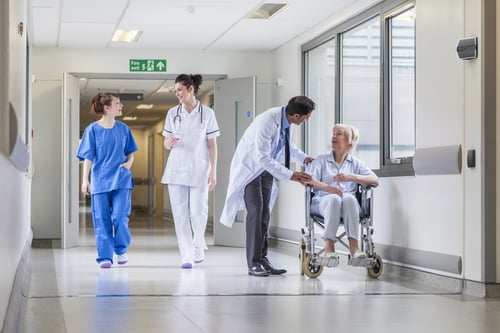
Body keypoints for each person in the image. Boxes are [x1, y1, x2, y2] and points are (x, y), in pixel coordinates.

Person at [220, 96, 315, 277]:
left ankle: (263, 259)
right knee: (255, 211)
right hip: (252, 170)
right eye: (306, 117)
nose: (307, 119)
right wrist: (291, 175)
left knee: (264, 214)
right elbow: (261, 157)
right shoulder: (267, 121)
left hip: (267, 170)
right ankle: (253, 263)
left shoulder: (288, 122)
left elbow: (288, 145)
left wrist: (304, 158)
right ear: (296, 115)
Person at [161, 74, 220, 269]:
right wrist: (169, 142)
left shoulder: (208, 114)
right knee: (180, 215)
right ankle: (186, 255)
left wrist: (213, 171)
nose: (176, 93)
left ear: (191, 89)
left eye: (179, 89)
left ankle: (197, 245)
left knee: (198, 212)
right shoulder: (172, 113)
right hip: (176, 170)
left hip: (199, 169)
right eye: (176, 90)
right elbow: (166, 143)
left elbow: (212, 145)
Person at [76, 92, 138, 269]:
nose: (121, 106)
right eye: (117, 103)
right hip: (100, 180)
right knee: (101, 219)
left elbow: (130, 153)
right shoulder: (92, 130)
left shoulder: (124, 129)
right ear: (107, 108)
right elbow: (88, 157)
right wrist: (84, 180)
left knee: (119, 216)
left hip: (121, 179)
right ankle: (105, 256)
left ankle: (121, 249)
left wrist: (130, 162)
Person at [305, 123, 378, 259]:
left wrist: (351, 177)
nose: (334, 137)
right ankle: (329, 247)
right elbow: (307, 180)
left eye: (339, 134)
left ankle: (354, 248)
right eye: (333, 134)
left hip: (349, 205)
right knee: (334, 198)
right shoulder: (321, 160)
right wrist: (329, 188)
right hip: (323, 201)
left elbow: (375, 180)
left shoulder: (356, 163)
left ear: (351, 140)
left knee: (349, 198)